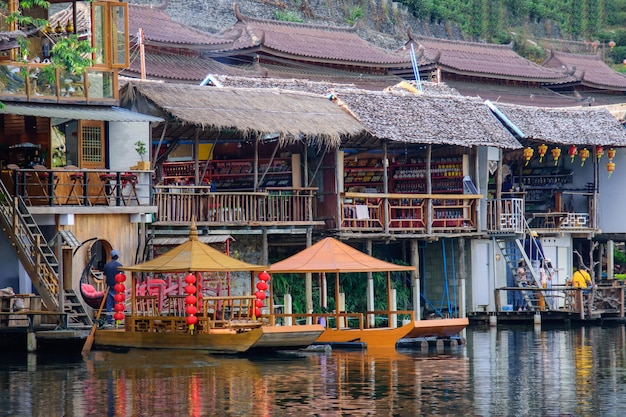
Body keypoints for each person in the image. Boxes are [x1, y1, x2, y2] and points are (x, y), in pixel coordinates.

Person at [103, 249, 122, 324]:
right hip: (118, 288)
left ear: (110, 256)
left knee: (109, 305)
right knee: (118, 305)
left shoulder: (106, 265)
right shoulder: (120, 266)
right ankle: (118, 321)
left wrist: (104, 287)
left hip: (109, 287)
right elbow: (121, 277)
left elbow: (104, 277)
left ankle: (109, 320)